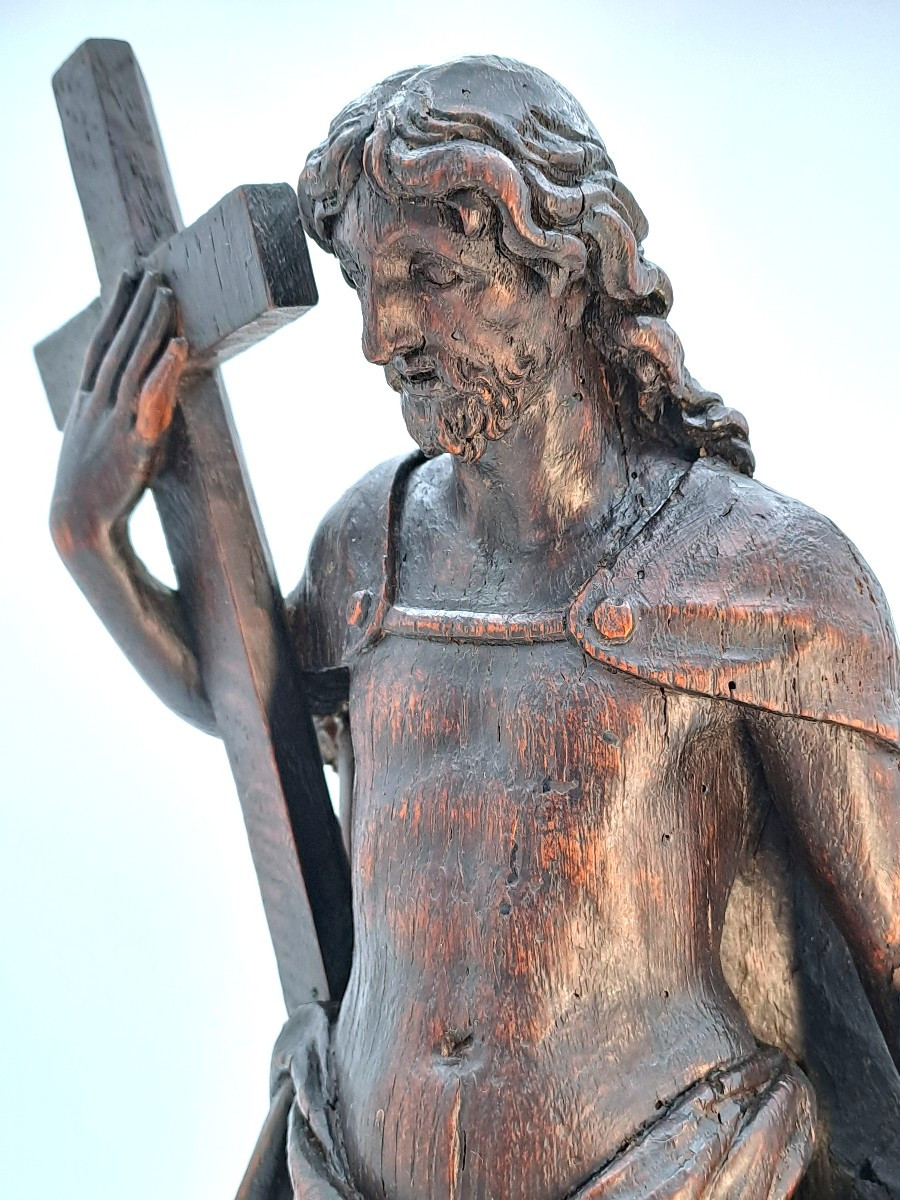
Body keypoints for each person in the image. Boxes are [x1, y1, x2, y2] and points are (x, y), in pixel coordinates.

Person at [50, 57, 900, 1199]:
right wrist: (87, 540)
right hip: (352, 1166)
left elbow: (892, 946)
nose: (380, 333)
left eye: (429, 273)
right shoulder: (372, 541)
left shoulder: (761, 575)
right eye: (363, 279)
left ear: (567, 273)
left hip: (676, 1174)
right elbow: (257, 724)